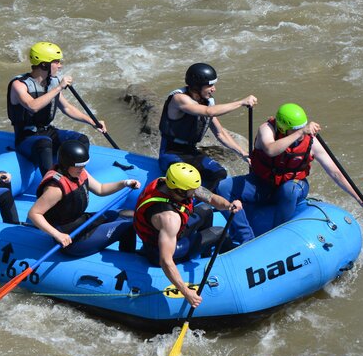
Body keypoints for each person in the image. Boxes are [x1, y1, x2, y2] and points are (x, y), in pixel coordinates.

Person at [217, 103, 363, 235]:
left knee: (290, 189)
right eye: (296, 129)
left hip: (292, 187)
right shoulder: (266, 129)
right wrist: (301, 131)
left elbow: (335, 172)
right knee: (224, 187)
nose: (302, 134)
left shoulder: (311, 142)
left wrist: (359, 199)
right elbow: (270, 150)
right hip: (262, 184)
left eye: (302, 128)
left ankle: (278, 234)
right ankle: (245, 237)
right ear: (282, 128)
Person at [133, 163, 247, 309]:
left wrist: (229, 205)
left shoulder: (167, 183)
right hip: (160, 250)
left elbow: (211, 199)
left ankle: (204, 254)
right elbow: (165, 261)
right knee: (219, 232)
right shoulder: (169, 219)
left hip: (169, 233)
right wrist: (186, 292)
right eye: (192, 191)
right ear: (179, 191)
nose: (195, 193)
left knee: (206, 210)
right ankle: (228, 263)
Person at [7, 42, 107, 176]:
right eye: (56, 62)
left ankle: (74, 177)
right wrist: (59, 87)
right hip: (26, 137)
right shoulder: (19, 85)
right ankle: (51, 185)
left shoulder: (52, 82)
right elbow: (32, 106)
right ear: (44, 64)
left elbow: (67, 108)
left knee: (81, 139)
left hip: (48, 131)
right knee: (44, 143)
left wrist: (92, 122)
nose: (60, 65)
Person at [27, 140, 140, 257]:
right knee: (127, 228)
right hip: (72, 239)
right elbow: (34, 213)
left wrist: (125, 183)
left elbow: (100, 189)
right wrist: (58, 235)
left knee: (130, 214)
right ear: (66, 164)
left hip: (83, 221)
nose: (82, 168)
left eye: (84, 165)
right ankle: (129, 261)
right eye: (78, 166)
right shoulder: (55, 189)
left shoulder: (79, 173)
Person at [158, 63, 257, 192]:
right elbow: (209, 112)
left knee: (219, 173)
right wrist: (241, 102)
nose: (214, 89)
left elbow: (220, 133)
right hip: (170, 152)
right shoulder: (179, 99)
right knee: (186, 178)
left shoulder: (206, 101)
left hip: (190, 151)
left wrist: (242, 153)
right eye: (210, 85)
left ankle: (203, 204)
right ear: (196, 86)